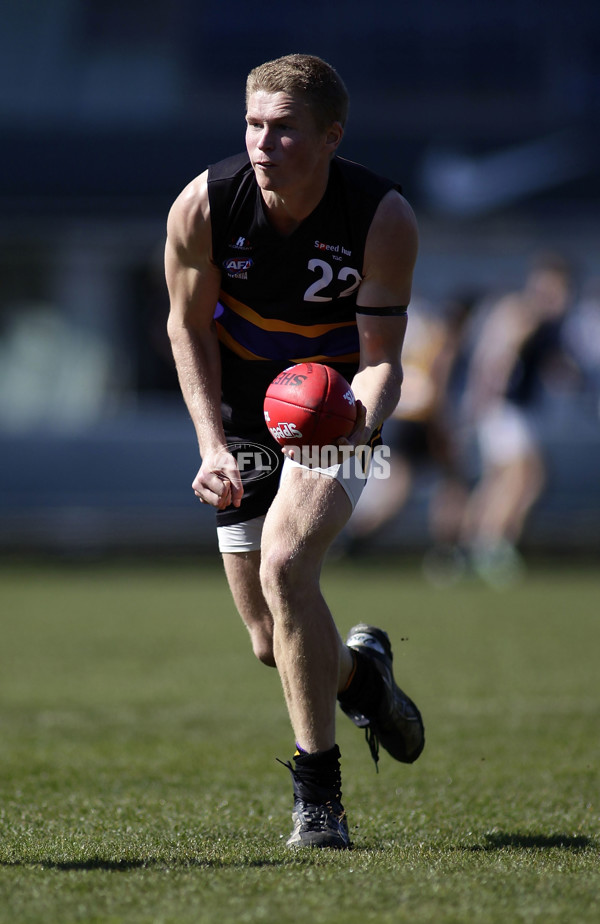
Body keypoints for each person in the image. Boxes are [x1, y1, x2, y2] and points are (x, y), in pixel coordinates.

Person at [165, 53, 424, 849]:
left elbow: (382, 359)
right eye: (252, 124)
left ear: (330, 135)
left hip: (337, 416)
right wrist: (211, 445)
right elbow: (185, 327)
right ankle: (364, 677)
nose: (261, 142)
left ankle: (320, 800)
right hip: (244, 418)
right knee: (266, 641)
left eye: (283, 129)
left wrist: (356, 435)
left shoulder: (381, 217)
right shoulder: (204, 205)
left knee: (286, 567)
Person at [459, 253, 576, 586]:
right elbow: (498, 357)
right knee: (527, 475)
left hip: (507, 408)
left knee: (499, 479)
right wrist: (486, 399)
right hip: (503, 408)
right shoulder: (525, 312)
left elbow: (553, 364)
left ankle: (468, 547)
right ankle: (493, 545)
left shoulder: (540, 320)